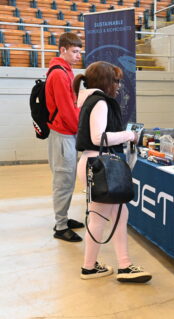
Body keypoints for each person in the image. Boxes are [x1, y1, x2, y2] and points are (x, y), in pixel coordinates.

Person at [74, 61, 152, 282]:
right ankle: (100, 267)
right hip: (99, 165)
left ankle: (113, 265)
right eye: (116, 80)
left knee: (117, 213)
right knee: (101, 216)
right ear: (106, 81)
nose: (119, 85)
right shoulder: (100, 102)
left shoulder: (90, 100)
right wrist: (129, 136)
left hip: (93, 163)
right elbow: (99, 138)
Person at [45, 32, 84, 242]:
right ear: (63, 50)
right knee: (63, 180)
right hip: (62, 134)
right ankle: (60, 226)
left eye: (79, 52)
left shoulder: (66, 71)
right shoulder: (59, 74)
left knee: (67, 179)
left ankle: (64, 218)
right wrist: (82, 130)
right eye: (75, 51)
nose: (79, 56)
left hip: (67, 133)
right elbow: (67, 110)